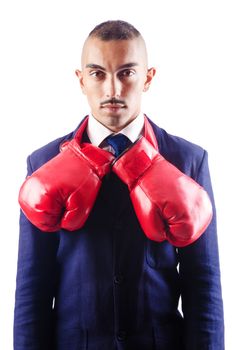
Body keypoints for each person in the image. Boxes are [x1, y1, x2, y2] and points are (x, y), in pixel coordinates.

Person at [14, 20, 224, 350]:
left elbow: (204, 286)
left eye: (126, 73)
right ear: (81, 80)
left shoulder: (187, 161)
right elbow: (32, 289)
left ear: (148, 77)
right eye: (98, 74)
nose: (112, 89)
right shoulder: (42, 164)